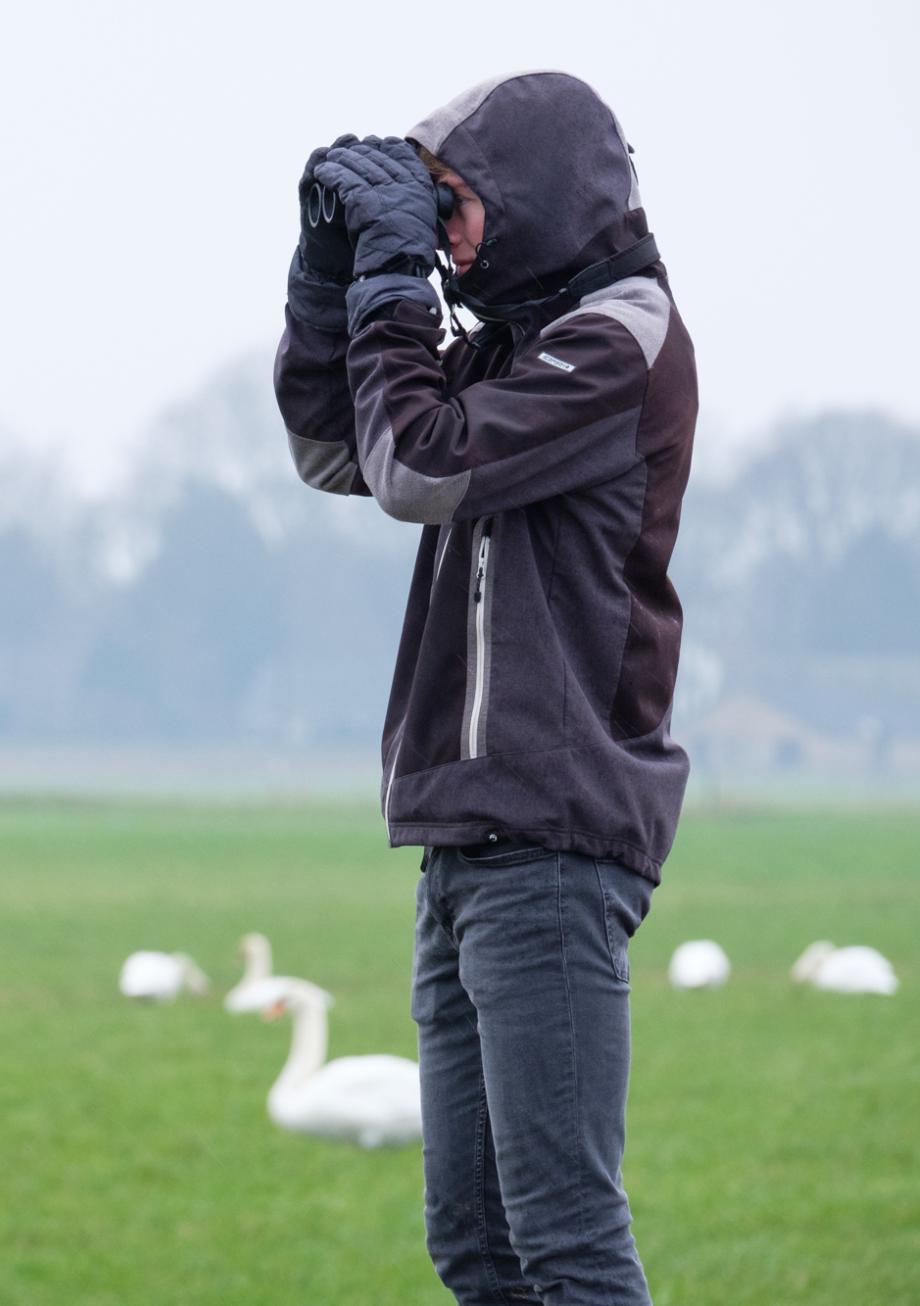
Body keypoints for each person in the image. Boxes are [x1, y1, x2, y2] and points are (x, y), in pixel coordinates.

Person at [272, 72, 698, 1305]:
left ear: (530, 200)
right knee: (476, 1246)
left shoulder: (619, 340)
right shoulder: (516, 347)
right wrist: (328, 278)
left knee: (563, 1242)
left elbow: (419, 469)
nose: (445, 243)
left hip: (550, 834)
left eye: (451, 208)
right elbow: (336, 452)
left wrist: (393, 286)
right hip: (472, 835)